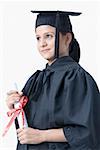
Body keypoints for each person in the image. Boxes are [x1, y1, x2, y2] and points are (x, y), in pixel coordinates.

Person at [6, 11, 100, 150]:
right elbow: (27, 129)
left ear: (67, 38)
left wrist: (41, 136)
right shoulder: (36, 79)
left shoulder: (77, 78)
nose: (42, 43)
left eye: (48, 36)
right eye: (38, 38)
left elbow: (87, 133)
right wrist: (15, 106)